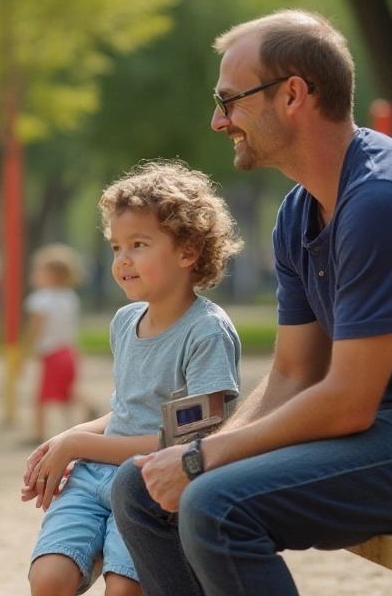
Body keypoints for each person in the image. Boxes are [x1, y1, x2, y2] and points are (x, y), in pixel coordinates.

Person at [112, 10, 392, 596]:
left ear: (293, 94)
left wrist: (200, 462)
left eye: (230, 100)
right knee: (137, 489)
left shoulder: (384, 200)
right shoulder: (299, 214)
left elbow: (348, 402)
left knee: (217, 506)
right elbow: (295, 374)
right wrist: (197, 451)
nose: (219, 121)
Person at [23, 162, 243, 596]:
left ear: (188, 251)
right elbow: (128, 410)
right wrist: (69, 437)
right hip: (92, 478)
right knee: (48, 581)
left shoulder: (206, 333)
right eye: (116, 247)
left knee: (124, 590)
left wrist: (81, 444)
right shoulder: (124, 322)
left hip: (151, 486)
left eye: (138, 245)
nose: (122, 260)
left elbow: (187, 442)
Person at [24, 244, 85, 444]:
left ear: (52, 275)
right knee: (67, 392)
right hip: (69, 350)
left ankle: (38, 432)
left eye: (39, 271)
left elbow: (35, 329)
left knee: (41, 397)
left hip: (52, 353)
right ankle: (75, 422)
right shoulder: (70, 297)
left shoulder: (40, 299)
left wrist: (25, 351)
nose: (35, 275)